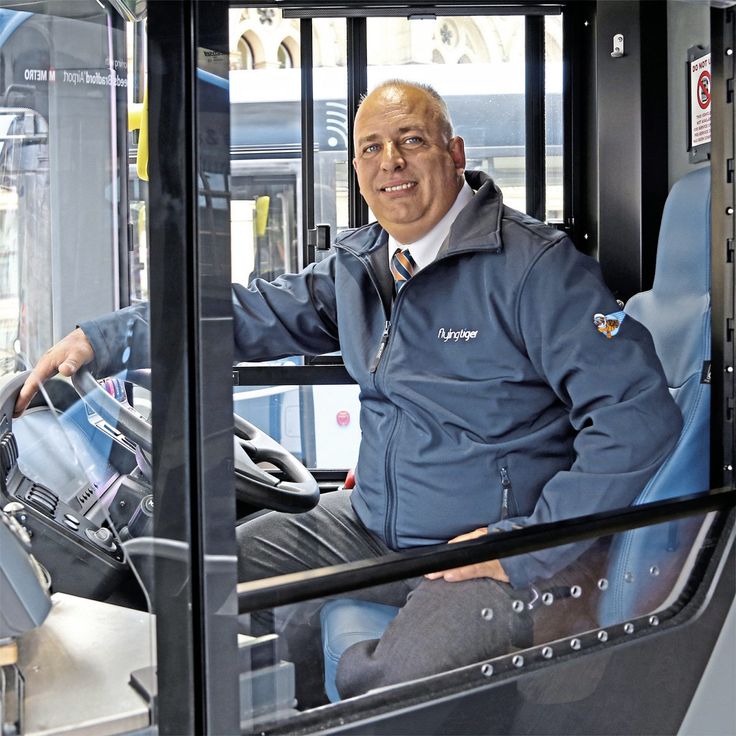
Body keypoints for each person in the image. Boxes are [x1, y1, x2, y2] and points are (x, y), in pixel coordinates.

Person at [14, 80, 682, 702]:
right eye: (372, 148)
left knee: (393, 682)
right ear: (358, 172)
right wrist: (106, 339)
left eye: (411, 140)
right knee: (207, 576)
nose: (392, 161)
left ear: (454, 153)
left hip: (480, 549)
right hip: (373, 526)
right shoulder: (362, 265)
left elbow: (637, 420)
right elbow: (244, 315)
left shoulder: (535, 270)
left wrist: (524, 547)